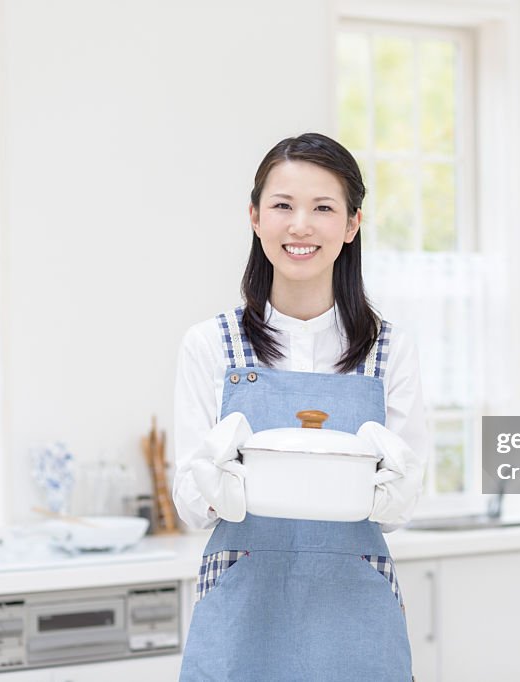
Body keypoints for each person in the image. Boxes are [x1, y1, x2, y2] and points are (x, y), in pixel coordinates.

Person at [173, 132, 429, 681]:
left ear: (352, 224)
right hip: (243, 610)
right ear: (255, 217)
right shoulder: (211, 345)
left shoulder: (390, 351)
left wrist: (391, 486)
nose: (300, 226)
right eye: (283, 206)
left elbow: (400, 507)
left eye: (323, 208)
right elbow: (192, 504)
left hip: (354, 614)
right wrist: (217, 483)